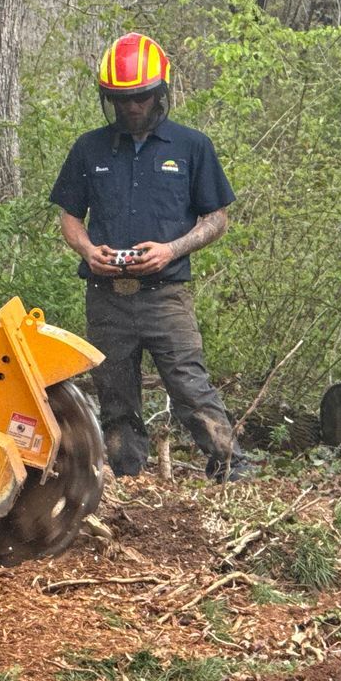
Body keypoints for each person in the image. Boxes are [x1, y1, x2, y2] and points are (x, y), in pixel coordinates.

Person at [47, 32, 251, 481]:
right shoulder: (89, 148)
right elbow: (69, 216)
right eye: (121, 100)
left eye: (140, 97)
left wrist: (171, 249)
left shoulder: (191, 147)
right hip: (106, 296)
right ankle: (127, 478)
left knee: (191, 386)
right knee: (115, 394)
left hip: (167, 295)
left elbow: (217, 218)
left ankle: (232, 469)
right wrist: (87, 249)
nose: (132, 107)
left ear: (160, 93)